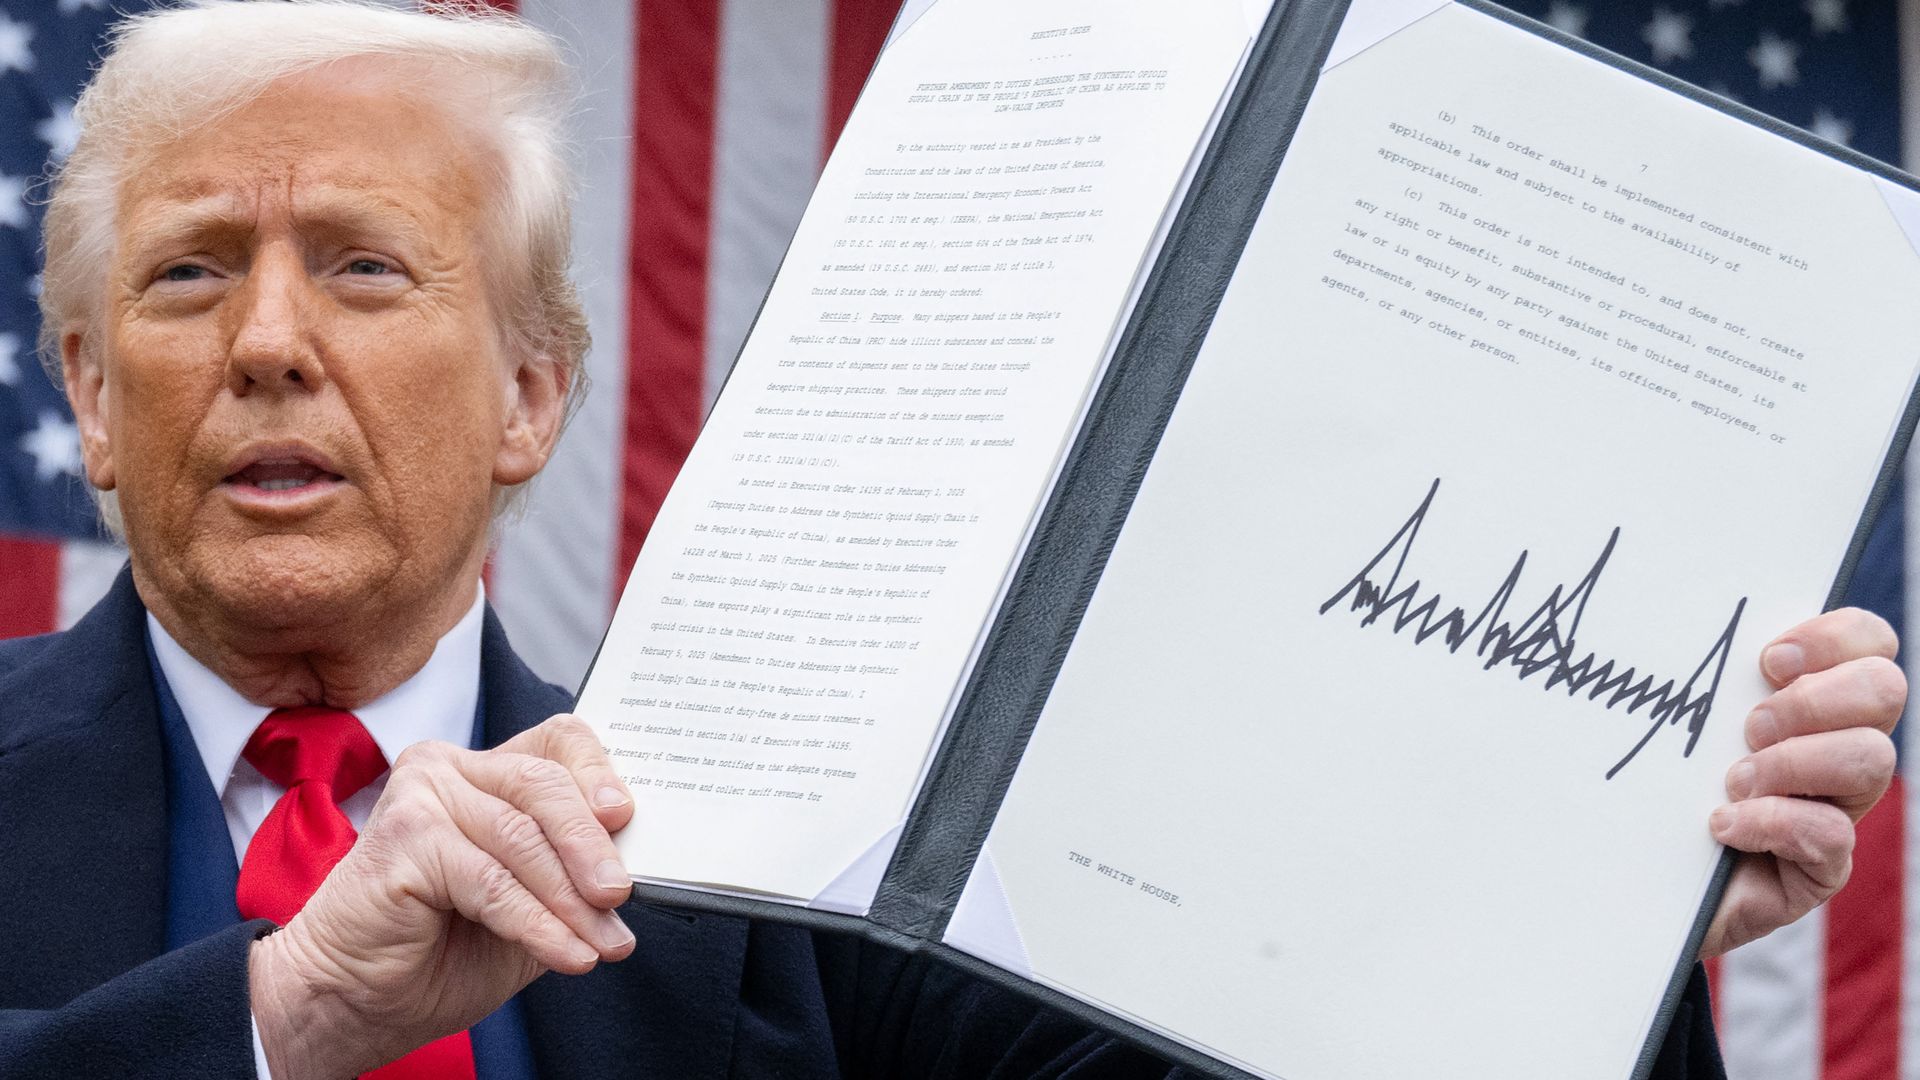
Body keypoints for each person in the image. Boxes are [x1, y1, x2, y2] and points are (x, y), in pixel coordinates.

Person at [0, 2, 1901, 1077]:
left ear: (532, 396)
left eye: (361, 266)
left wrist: (1557, 908)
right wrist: (289, 1007)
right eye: (187, 277)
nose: (266, 341)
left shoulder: (803, 878)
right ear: (87, 392)